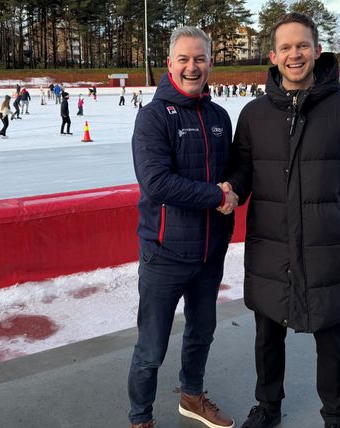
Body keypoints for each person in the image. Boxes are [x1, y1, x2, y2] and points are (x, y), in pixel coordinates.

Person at [224, 12, 340, 428]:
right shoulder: (254, 114)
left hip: (326, 245)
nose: (296, 54)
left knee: (331, 338)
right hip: (270, 245)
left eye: (303, 45)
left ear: (317, 50)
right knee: (267, 334)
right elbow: (243, 169)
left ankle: (334, 416)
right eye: (287, 48)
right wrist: (232, 190)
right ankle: (269, 407)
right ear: (273, 56)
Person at [127, 26, 236, 428]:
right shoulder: (154, 117)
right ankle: (140, 418)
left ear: (210, 62)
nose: (193, 67)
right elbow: (156, 183)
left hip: (210, 253)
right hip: (165, 254)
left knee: (201, 333)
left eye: (200, 58)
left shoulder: (219, 116)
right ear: (170, 63)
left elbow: (235, 172)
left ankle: (191, 397)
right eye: (184, 59)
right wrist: (216, 196)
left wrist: (235, 189)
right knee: (151, 348)